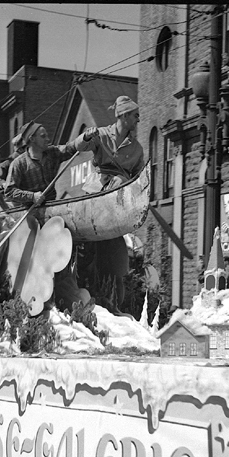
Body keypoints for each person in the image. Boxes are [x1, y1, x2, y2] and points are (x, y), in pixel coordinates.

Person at [4, 120, 92, 311]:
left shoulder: (52, 153)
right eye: (43, 136)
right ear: (31, 139)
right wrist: (32, 196)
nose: (48, 138)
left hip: (53, 211)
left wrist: (85, 137)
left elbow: (70, 148)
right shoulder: (19, 164)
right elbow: (9, 191)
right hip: (31, 216)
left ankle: (66, 296)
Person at [72, 96, 145, 312]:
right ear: (123, 115)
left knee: (114, 259)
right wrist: (85, 136)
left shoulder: (137, 148)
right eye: (134, 115)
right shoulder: (101, 135)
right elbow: (76, 147)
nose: (138, 119)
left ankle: (112, 304)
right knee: (86, 256)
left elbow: (138, 180)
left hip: (114, 207)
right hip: (94, 199)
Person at [0, 134, 26, 214]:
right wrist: (4, 184)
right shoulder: (7, 164)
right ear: (20, 150)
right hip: (12, 204)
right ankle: (6, 220)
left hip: (31, 202)